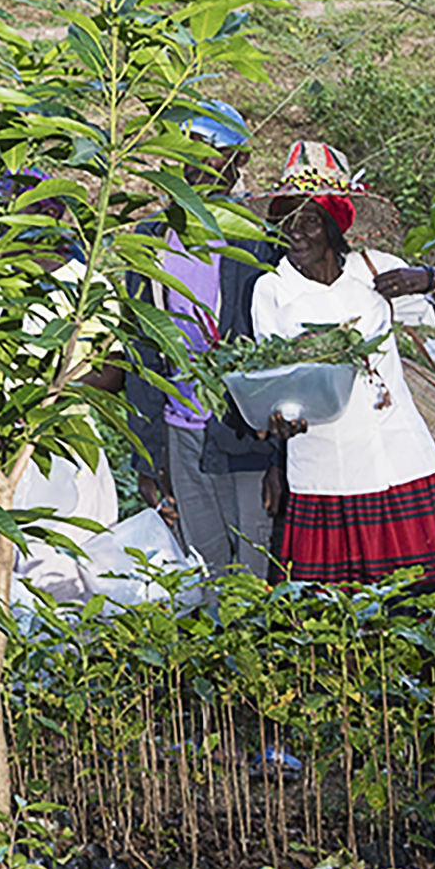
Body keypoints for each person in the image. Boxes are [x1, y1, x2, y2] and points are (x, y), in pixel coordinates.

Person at [249, 190, 435, 589]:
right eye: (288, 221)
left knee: (421, 603)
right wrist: (279, 418)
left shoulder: (374, 270)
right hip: (328, 471)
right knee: (329, 616)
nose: (297, 233)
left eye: (309, 220)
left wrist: (431, 281)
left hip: (403, 461)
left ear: (332, 227)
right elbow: (273, 376)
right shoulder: (272, 289)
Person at [132, 109, 281, 580]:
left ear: (239, 159)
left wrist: (280, 456)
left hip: (244, 433)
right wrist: (148, 456)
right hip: (182, 431)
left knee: (257, 566)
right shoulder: (152, 238)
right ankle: (218, 655)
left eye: (208, 150)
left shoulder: (260, 239)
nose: (194, 163)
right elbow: (142, 347)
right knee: (205, 566)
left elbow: (279, 344)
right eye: (187, 149)